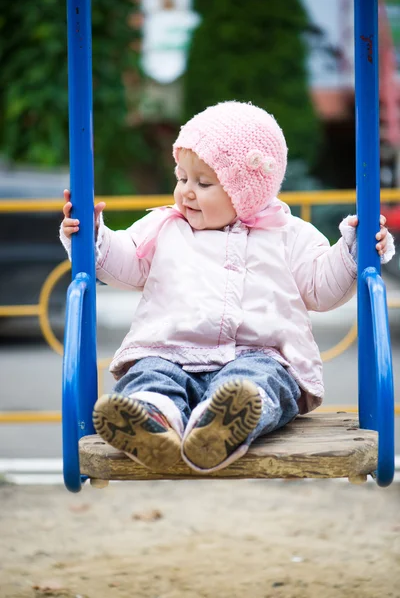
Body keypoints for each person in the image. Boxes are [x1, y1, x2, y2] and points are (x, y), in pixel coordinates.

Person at [60, 101, 395, 474]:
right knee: (149, 374)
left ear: (247, 191)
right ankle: (150, 422)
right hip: (170, 352)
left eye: (203, 183)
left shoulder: (287, 234)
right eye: (181, 178)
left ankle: (221, 425)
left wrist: (353, 249)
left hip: (260, 354)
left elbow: (322, 286)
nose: (186, 191)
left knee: (261, 381)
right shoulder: (165, 228)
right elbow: (122, 262)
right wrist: (93, 238)